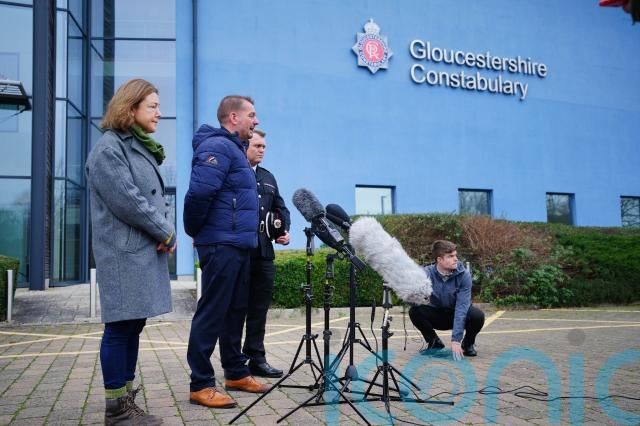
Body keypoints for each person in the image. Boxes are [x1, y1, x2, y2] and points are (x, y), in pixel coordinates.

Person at [86, 78, 176, 425]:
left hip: (139, 251)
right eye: (152, 106)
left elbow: (149, 199)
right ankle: (116, 409)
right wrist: (164, 230)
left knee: (133, 324)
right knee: (120, 328)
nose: (159, 113)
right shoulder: (109, 149)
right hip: (123, 254)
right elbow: (130, 201)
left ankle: (125, 400)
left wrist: (163, 230)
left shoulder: (135, 145)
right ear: (130, 108)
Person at [183, 95, 269, 409]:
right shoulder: (217, 146)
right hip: (221, 243)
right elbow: (198, 195)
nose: (256, 121)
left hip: (238, 244)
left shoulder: (234, 149)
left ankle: (235, 372)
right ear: (233, 117)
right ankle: (201, 384)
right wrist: (197, 232)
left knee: (235, 311)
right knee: (213, 311)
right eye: (252, 115)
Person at [242, 129, 290, 378]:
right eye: (257, 146)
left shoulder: (268, 177)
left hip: (264, 251)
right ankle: (235, 361)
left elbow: (281, 209)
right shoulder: (236, 172)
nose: (262, 150)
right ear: (245, 146)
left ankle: (256, 359)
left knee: (259, 309)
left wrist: (284, 230)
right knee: (236, 308)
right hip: (241, 250)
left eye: (264, 147)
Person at [408, 240, 485, 361]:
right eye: (450, 256)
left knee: (478, 316)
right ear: (439, 259)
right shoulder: (426, 273)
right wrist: (411, 294)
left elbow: (461, 308)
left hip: (457, 313)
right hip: (438, 314)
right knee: (414, 311)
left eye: (455, 255)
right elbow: (411, 300)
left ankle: (468, 343)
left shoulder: (464, 275)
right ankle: (434, 342)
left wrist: (456, 340)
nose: (456, 259)